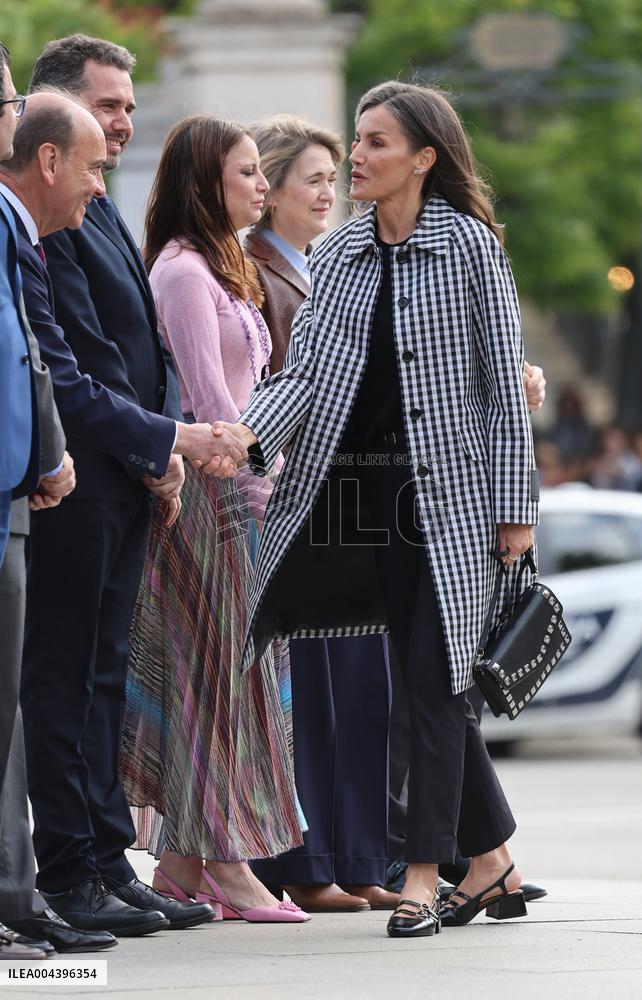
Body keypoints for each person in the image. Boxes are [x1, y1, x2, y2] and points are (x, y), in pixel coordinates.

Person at [214, 79, 540, 938]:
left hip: (459, 504)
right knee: (428, 679)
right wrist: (240, 440)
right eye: (357, 141)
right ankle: (495, 866)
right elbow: (309, 378)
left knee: (430, 687)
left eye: (377, 143)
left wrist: (517, 508)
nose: (357, 157)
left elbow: (503, 389)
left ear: (424, 159)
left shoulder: (469, 247)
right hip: (367, 506)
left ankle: (426, 879)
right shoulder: (347, 252)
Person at [14, 36, 244, 936]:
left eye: (129, 107)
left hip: (130, 477)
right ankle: (70, 873)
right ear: (54, 116)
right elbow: (77, 363)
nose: (125, 125)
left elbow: (140, 343)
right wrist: (168, 440)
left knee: (102, 682)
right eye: (110, 107)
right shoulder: (45, 213)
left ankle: (110, 861)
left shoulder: (98, 198)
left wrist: (163, 452)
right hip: (76, 480)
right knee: (63, 682)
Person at [120, 114, 309, 924]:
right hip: (214, 502)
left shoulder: (219, 266)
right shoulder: (183, 273)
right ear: (204, 183)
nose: (260, 185)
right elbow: (210, 412)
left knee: (238, 680)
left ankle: (182, 863)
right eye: (244, 173)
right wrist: (268, 477)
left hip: (248, 496)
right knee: (224, 683)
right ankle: (226, 864)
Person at [245, 114, 397, 913]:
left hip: (351, 502)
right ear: (267, 190)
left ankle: (357, 857)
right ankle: (308, 862)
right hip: (295, 501)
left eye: (333, 179)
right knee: (312, 699)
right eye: (314, 179)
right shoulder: (260, 271)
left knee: (358, 695)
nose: (330, 193)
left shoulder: (321, 266)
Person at [0, 42, 106, 961]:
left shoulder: (19, 225)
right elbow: (43, 361)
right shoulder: (8, 219)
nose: (100, 185)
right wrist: (49, 447)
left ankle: (20, 897)